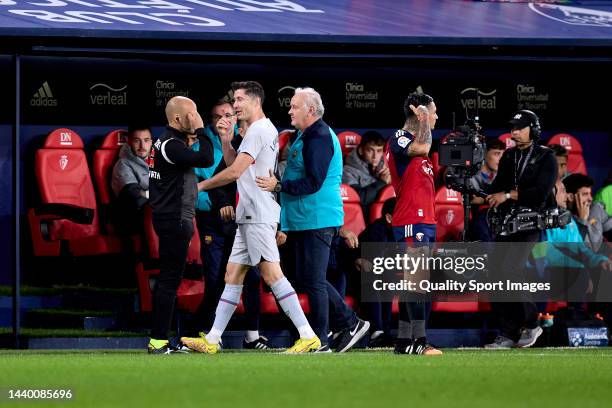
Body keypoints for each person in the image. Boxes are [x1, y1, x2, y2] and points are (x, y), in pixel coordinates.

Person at [179, 81, 320, 354]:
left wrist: (198, 187)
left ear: (256, 101)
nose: (235, 106)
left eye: (240, 100)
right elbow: (234, 164)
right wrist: (225, 140)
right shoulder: (257, 130)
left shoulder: (259, 130)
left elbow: (233, 173)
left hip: (257, 213)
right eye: (235, 100)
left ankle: (307, 335)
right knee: (233, 275)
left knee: (271, 274)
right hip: (249, 214)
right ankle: (212, 339)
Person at [256, 87, 370, 353]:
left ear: (310, 110)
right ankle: (343, 326)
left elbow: (314, 182)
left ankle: (326, 336)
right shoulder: (306, 135)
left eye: (294, 106)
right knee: (305, 278)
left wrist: (278, 186)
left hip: (316, 218)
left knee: (314, 280)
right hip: (303, 220)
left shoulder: (318, 136)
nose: (289, 110)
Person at [188, 100, 267, 350]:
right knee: (216, 280)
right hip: (213, 220)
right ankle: (206, 334)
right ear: (211, 120)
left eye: (229, 114)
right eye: (218, 115)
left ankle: (252, 336)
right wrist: (218, 202)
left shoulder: (248, 139)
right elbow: (209, 183)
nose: (225, 119)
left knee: (252, 277)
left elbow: (249, 179)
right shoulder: (202, 146)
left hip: (245, 219)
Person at [484, 109, 557, 349]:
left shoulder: (547, 157)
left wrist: (506, 195)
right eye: (512, 128)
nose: (514, 132)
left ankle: (532, 322)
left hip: (532, 223)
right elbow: (496, 187)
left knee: (509, 269)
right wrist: (476, 192)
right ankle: (507, 333)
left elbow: (540, 194)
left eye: (519, 128)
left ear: (533, 130)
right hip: (509, 223)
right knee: (496, 275)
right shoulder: (508, 156)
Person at [147, 96, 214, 354]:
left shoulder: (166, 141)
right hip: (175, 218)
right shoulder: (171, 145)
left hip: (171, 217)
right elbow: (206, 159)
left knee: (170, 280)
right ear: (178, 118)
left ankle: (161, 340)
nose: (196, 117)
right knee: (169, 280)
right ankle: (158, 341)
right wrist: (201, 130)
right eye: (192, 113)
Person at [387, 92, 442, 355]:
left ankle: (403, 341)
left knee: (415, 281)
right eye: (433, 111)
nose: (436, 117)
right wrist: (422, 118)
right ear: (419, 113)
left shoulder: (419, 141)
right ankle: (419, 342)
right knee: (416, 281)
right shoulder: (400, 137)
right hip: (410, 219)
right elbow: (422, 148)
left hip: (425, 221)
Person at [354, 197, 397, 348]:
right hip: (357, 277)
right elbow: (373, 262)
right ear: (389, 217)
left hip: (379, 275)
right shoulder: (377, 230)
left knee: (389, 276)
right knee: (377, 275)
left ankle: (384, 331)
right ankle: (377, 331)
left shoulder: (399, 233)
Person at [110, 125, 153, 236]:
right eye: (137, 141)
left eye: (146, 140)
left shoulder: (158, 160)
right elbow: (135, 196)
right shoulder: (123, 164)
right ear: (129, 142)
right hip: (134, 218)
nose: (142, 146)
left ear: (151, 142)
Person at [342, 130, 391, 217]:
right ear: (361, 150)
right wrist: (382, 182)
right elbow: (359, 198)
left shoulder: (385, 169)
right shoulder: (347, 171)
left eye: (379, 151)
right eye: (370, 150)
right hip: (360, 221)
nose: (375, 156)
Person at [563, 173, 612, 254]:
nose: (590, 198)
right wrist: (582, 221)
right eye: (585, 194)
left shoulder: (595, 209)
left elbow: (609, 227)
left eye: (590, 194)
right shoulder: (563, 221)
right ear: (571, 197)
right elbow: (583, 252)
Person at [469, 138, 506, 242]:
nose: (501, 159)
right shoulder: (471, 175)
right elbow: (472, 199)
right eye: (496, 154)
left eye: (502, 155)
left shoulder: (501, 176)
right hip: (477, 219)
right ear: (484, 155)